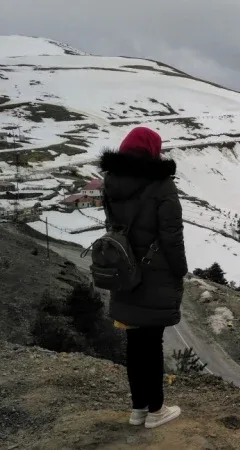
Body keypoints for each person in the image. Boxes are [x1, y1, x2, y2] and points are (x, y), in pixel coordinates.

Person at [99, 126, 188, 429]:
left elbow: (113, 225)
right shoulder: (161, 185)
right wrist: (179, 270)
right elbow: (172, 236)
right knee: (152, 342)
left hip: (123, 269)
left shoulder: (110, 182)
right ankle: (156, 411)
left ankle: (138, 409)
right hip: (155, 272)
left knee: (135, 342)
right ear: (153, 151)